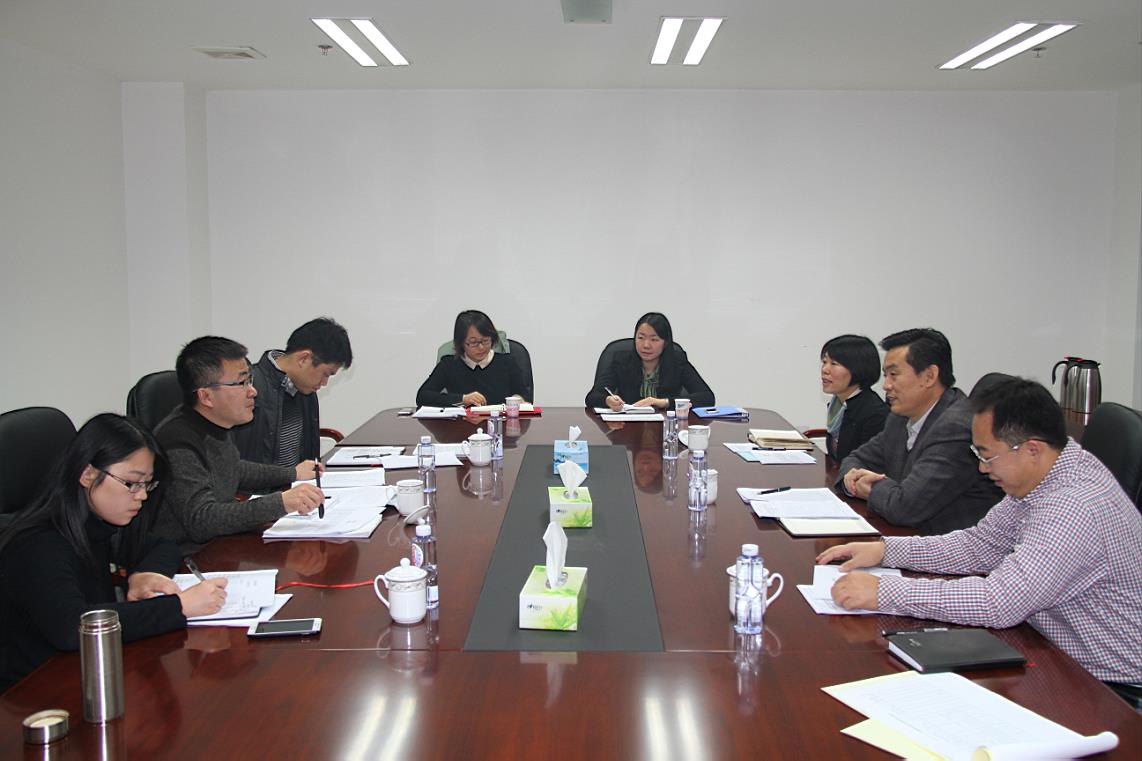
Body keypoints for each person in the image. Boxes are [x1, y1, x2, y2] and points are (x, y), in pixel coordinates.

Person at [819, 377, 1142, 702]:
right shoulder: (1047, 473)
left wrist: (885, 591)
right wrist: (886, 550)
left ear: (1032, 449)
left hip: (1109, 689)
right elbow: (981, 545)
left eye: (986, 455)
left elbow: (1000, 602)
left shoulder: (1073, 506)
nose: (982, 468)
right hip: (1050, 647)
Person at [0, 414, 228, 692]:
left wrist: (145, 574)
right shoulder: (38, 544)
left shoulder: (102, 523)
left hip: (89, 672)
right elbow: (73, 628)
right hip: (37, 693)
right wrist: (179, 607)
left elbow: (162, 546)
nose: (142, 495)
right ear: (87, 474)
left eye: (147, 484)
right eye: (132, 483)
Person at [155, 336, 325, 552]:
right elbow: (201, 520)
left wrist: (293, 473)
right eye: (241, 383)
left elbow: (233, 468)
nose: (253, 391)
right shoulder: (177, 443)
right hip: (186, 558)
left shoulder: (213, 424)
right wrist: (280, 503)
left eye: (250, 380)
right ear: (206, 397)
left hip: (221, 545)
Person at [836, 328, 1001, 534]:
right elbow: (857, 458)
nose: (886, 386)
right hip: (905, 533)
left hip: (946, 543)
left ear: (929, 376)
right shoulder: (901, 416)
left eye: (894, 375)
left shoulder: (956, 427)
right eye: (886, 376)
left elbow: (904, 508)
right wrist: (852, 480)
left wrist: (872, 487)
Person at [233, 317, 353, 467]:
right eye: (326, 374)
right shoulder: (249, 390)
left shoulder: (305, 389)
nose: (324, 383)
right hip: (266, 483)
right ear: (304, 359)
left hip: (298, 481)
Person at [585, 312, 715, 411]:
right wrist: (608, 400)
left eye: (654, 339)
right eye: (641, 338)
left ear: (665, 343)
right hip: (627, 428)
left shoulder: (677, 362)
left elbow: (707, 397)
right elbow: (592, 397)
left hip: (666, 427)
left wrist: (664, 402)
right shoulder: (621, 361)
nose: (646, 345)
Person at [416, 310, 529, 407]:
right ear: (461, 343)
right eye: (474, 342)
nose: (481, 347)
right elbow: (422, 396)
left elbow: (525, 396)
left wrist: (517, 400)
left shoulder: (507, 362)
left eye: (485, 341)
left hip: (499, 423)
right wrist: (462, 399)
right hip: (461, 424)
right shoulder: (449, 365)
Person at [820, 334, 889, 462]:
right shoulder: (837, 404)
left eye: (834, 363)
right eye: (824, 362)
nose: (825, 369)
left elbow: (867, 463)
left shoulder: (874, 414)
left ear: (858, 368)